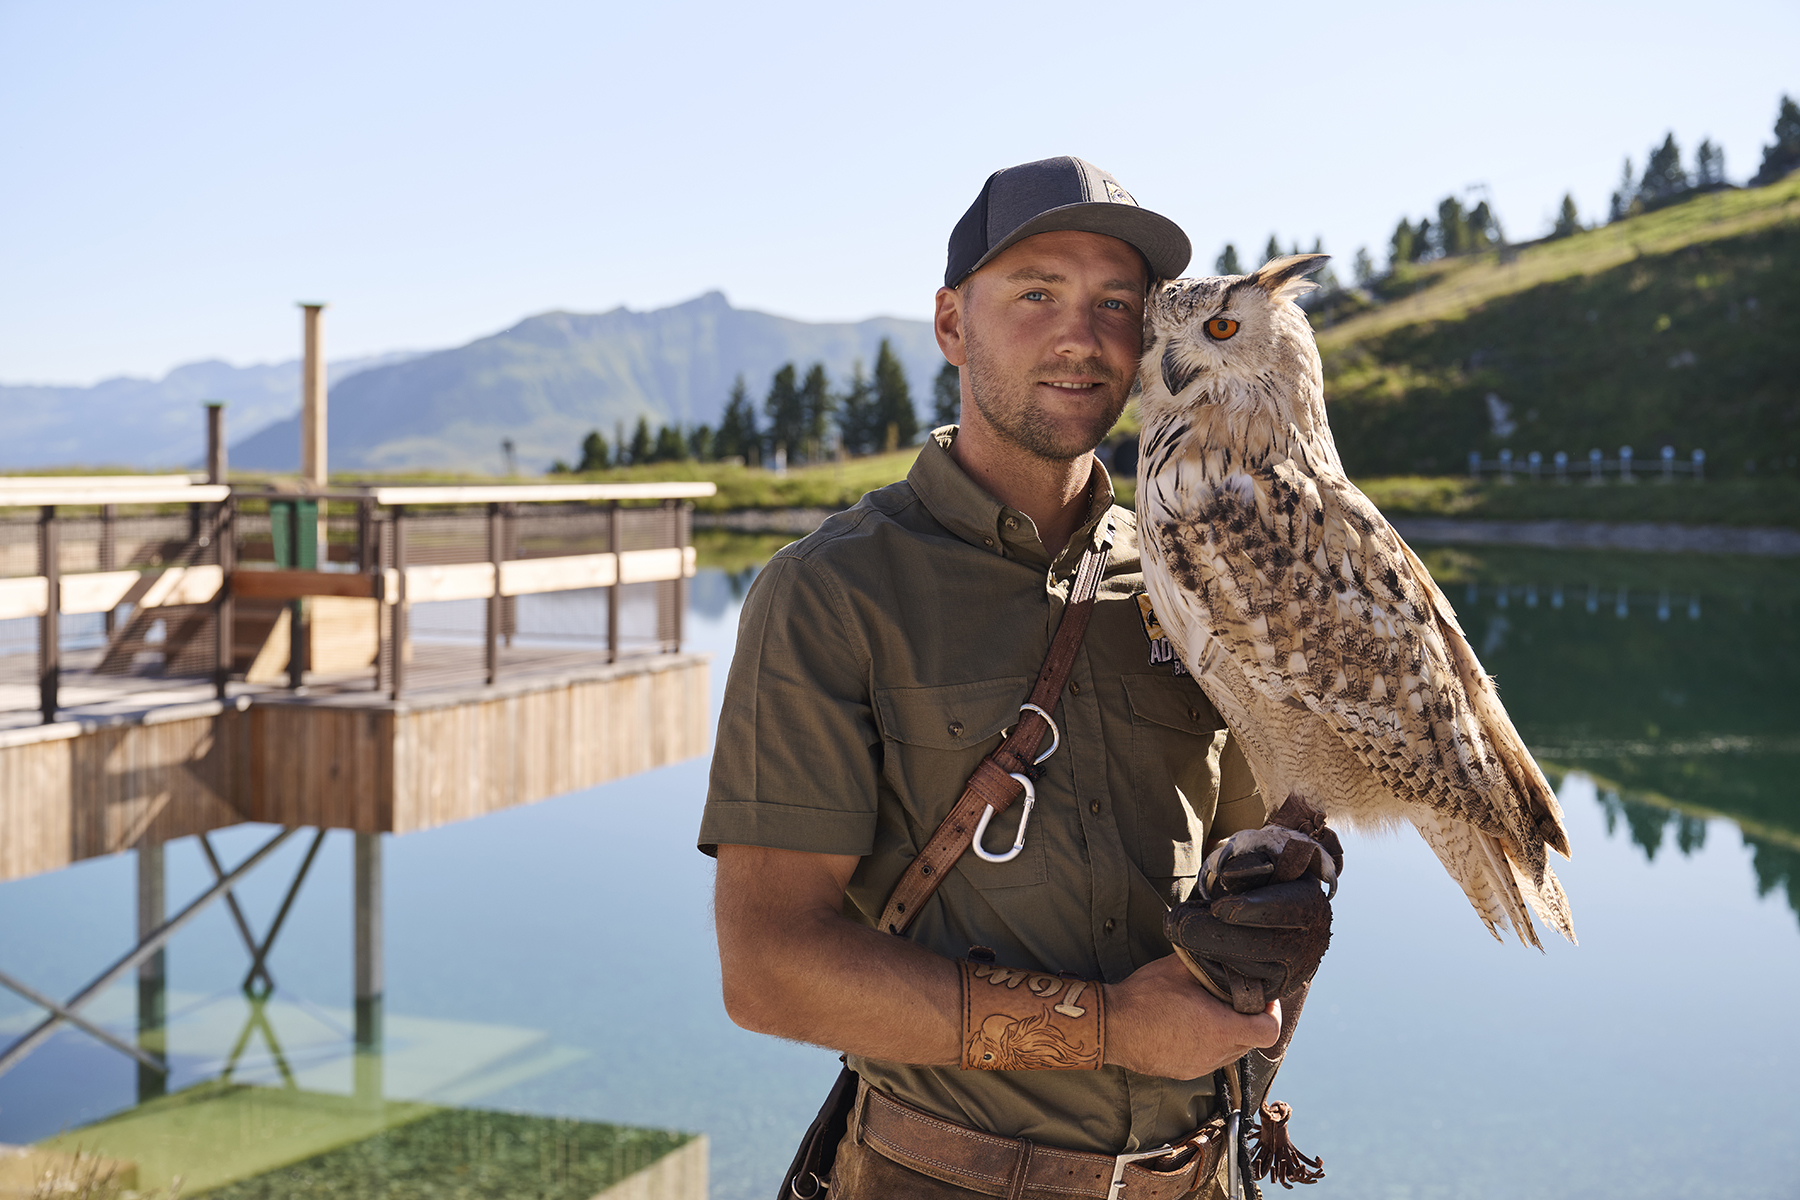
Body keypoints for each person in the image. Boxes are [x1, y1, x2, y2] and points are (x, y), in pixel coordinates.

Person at [700, 157, 1281, 1199]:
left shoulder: (1204, 570)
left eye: (1117, 303)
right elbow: (769, 966)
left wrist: (1294, 898)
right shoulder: (831, 594)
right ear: (950, 326)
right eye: (1036, 294)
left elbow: (1255, 852)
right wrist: (1116, 1032)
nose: (1084, 336)